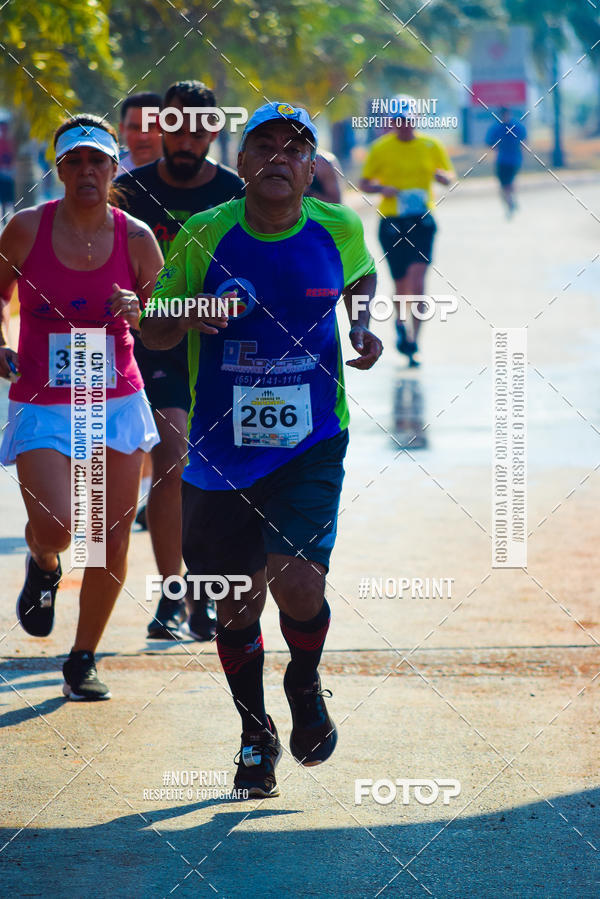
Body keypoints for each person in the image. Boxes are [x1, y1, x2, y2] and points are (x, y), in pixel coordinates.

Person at [140, 101, 383, 798]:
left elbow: (360, 276)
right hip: (219, 452)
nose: (279, 158)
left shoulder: (338, 226)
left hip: (311, 438)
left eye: (294, 149)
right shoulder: (204, 231)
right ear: (241, 163)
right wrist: (191, 311)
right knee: (235, 604)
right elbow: (153, 331)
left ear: (312, 169)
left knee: (299, 585)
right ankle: (255, 733)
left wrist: (361, 324)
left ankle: (303, 684)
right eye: (264, 146)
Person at [0, 114, 162, 700]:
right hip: (43, 399)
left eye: (98, 161)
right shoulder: (24, 229)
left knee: (109, 537)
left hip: (114, 398)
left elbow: (163, 323)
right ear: (60, 169)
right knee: (59, 527)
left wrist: (138, 308)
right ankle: (43, 564)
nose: (87, 171)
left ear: (114, 168)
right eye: (75, 161)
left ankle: (83, 657)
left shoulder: (138, 238)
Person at [115, 80, 245, 641]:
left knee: (219, 476)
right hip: (153, 349)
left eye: (197, 128)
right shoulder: (129, 193)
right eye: (174, 127)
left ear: (215, 131)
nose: (185, 138)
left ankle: (205, 591)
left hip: (224, 351)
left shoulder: (238, 194)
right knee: (171, 462)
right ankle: (174, 593)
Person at [359, 97, 454, 366]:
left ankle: (415, 343)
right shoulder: (380, 148)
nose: (404, 125)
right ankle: (401, 324)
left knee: (419, 284)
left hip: (422, 219)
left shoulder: (430, 145)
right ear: (391, 121)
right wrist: (381, 189)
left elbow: (448, 174)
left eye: (408, 120)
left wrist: (442, 177)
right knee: (402, 285)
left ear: (416, 119)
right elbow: (363, 183)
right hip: (392, 221)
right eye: (398, 120)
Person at [485, 106, 527, 217]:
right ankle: (510, 201)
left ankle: (510, 202)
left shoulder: (516, 126)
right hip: (502, 160)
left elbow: (524, 140)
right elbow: (489, 142)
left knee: (509, 183)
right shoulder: (497, 128)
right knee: (503, 185)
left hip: (514, 160)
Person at [117, 92, 163, 175]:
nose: (143, 137)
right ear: (122, 129)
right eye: (135, 128)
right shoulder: (110, 178)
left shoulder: (186, 173)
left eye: (151, 126)